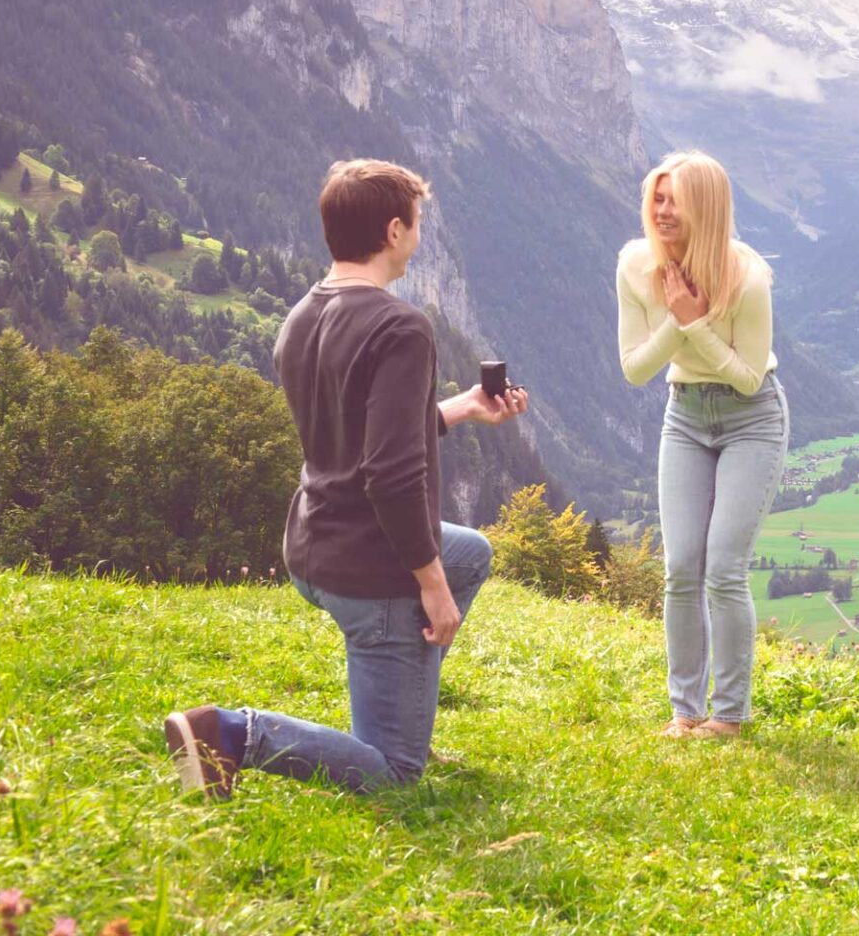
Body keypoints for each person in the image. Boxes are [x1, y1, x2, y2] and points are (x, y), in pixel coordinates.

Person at [163, 159, 529, 796]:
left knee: (472, 551)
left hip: (312, 544)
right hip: (369, 564)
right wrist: (431, 585)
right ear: (393, 231)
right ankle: (229, 734)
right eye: (416, 224)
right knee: (393, 775)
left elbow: (356, 440)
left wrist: (463, 407)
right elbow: (390, 474)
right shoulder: (401, 327)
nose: (418, 237)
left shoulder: (302, 314)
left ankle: (398, 711)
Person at [617, 151, 789, 739]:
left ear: (706, 209)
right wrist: (678, 317)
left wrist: (695, 322)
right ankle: (685, 711)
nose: (662, 211)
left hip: (751, 418)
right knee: (682, 566)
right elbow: (636, 369)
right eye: (657, 198)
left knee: (723, 569)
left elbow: (747, 376)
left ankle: (729, 716)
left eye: (675, 201)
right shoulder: (636, 266)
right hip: (684, 417)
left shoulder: (748, 276)